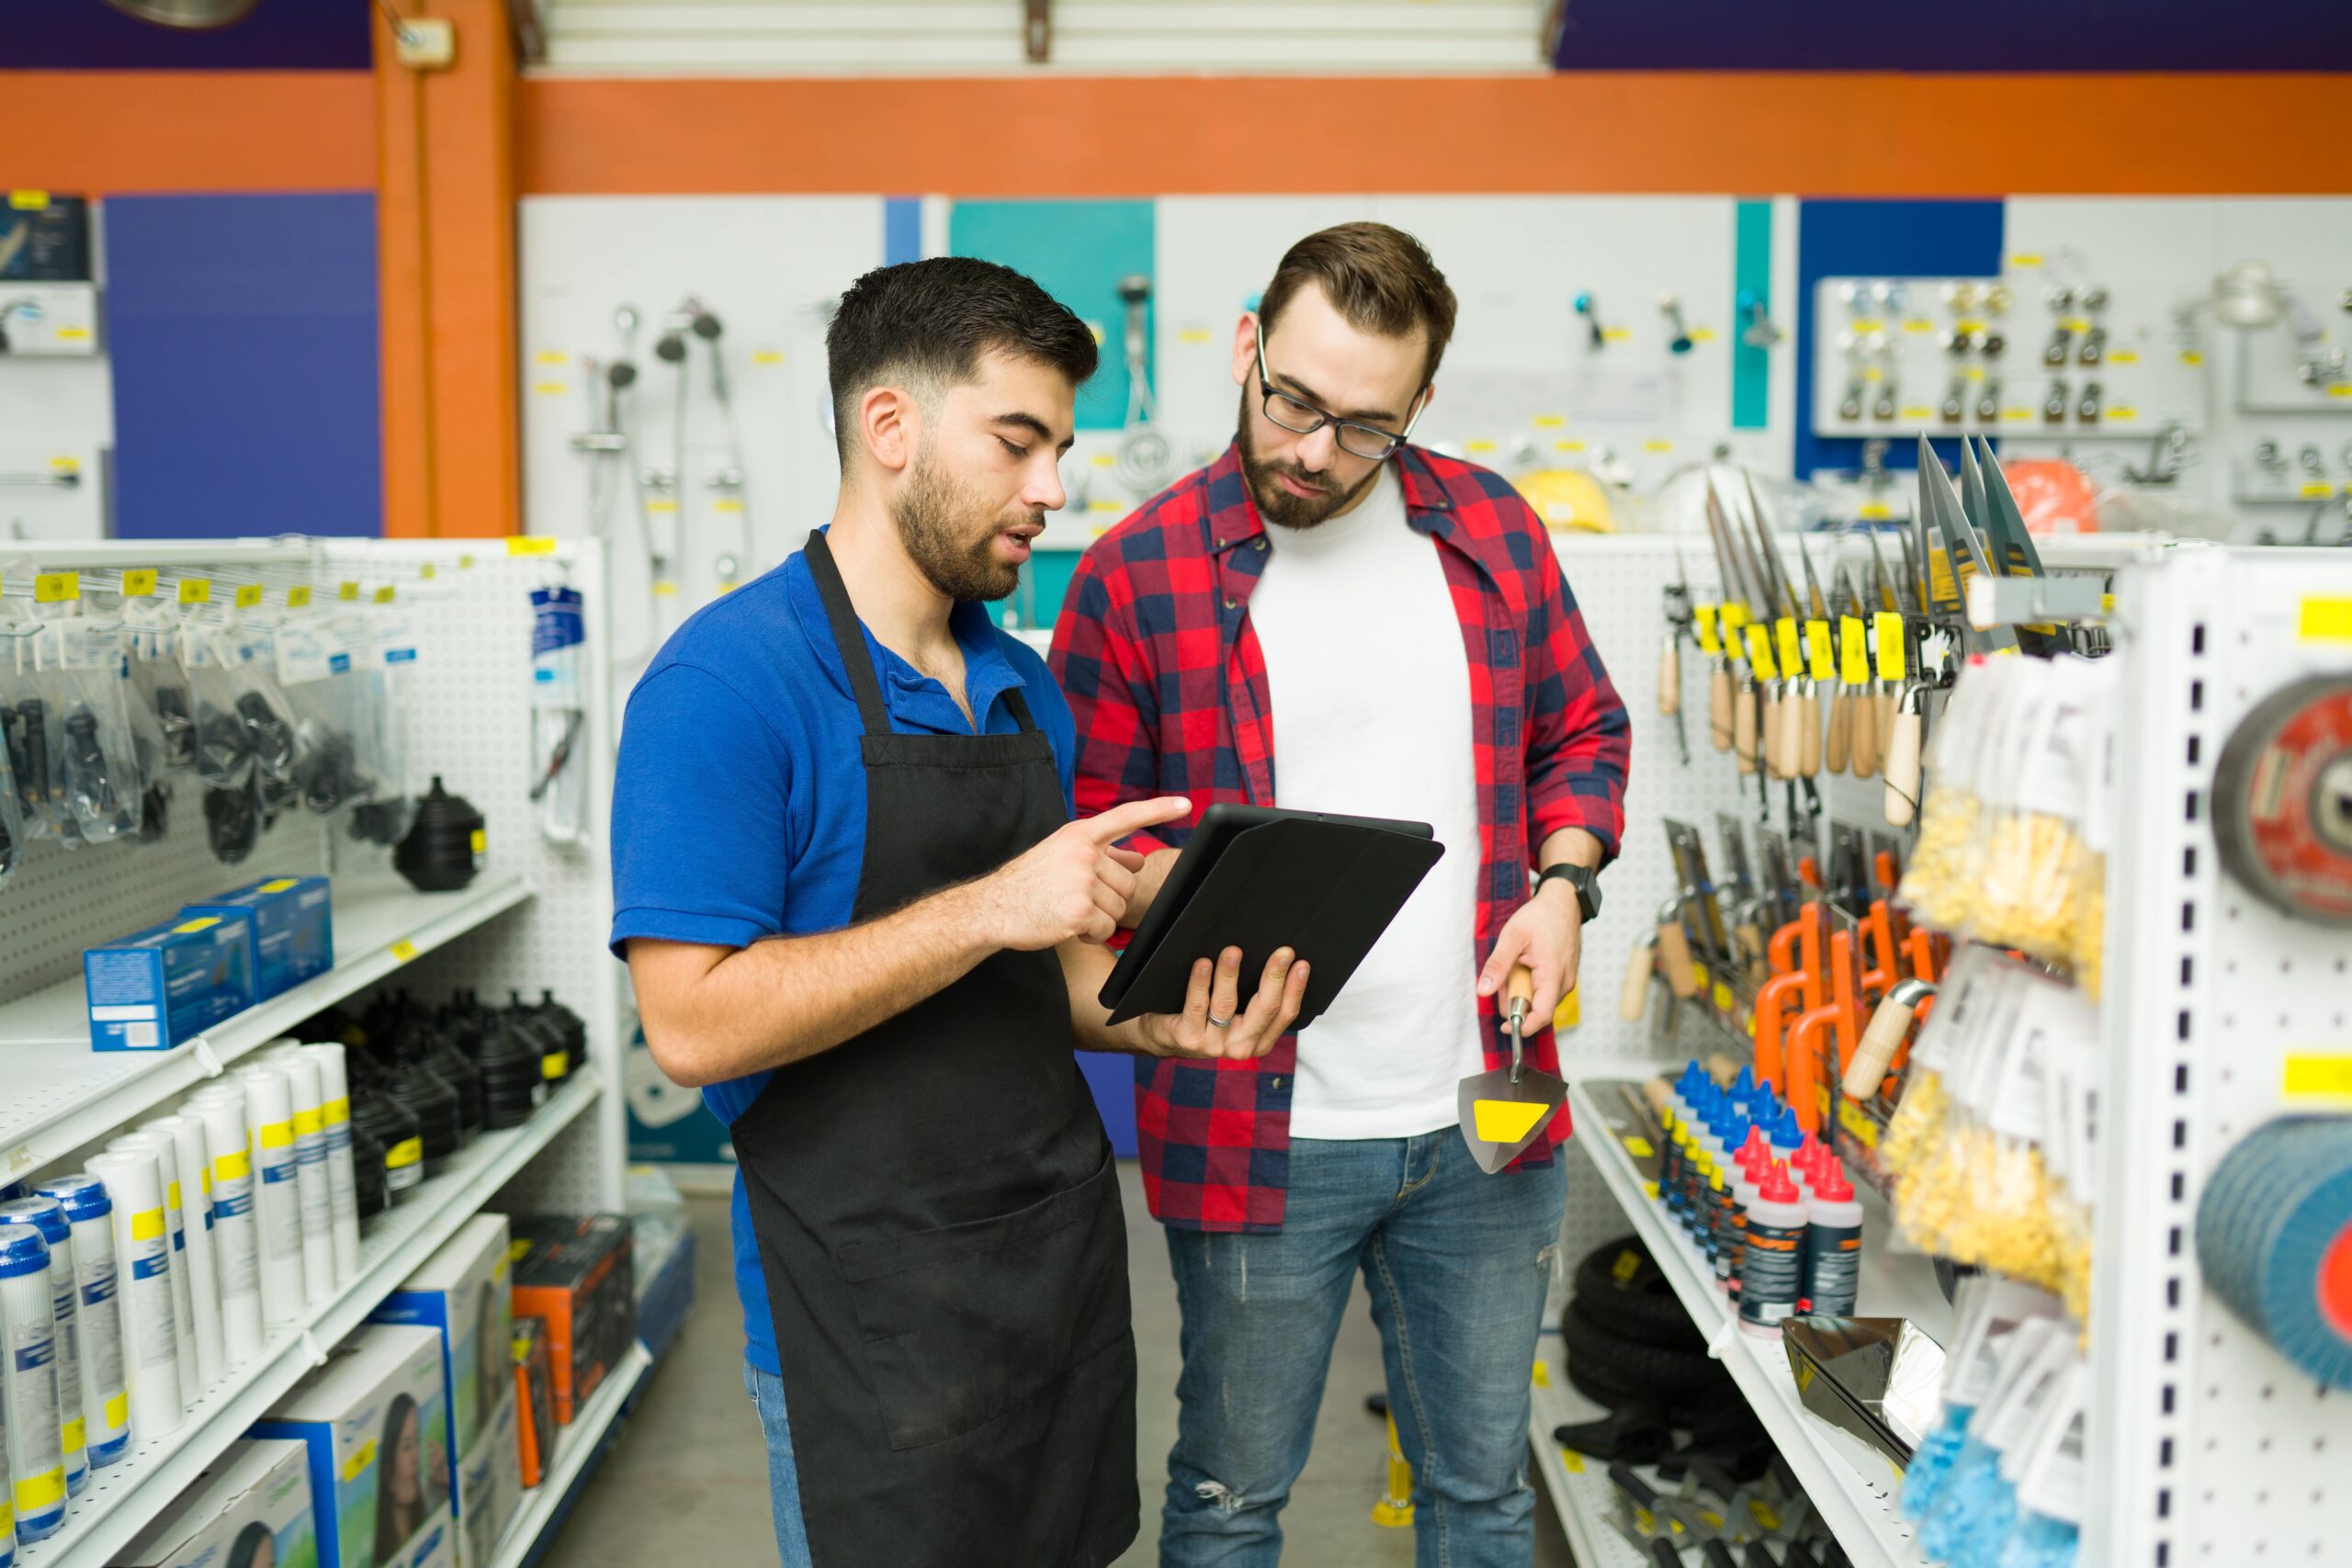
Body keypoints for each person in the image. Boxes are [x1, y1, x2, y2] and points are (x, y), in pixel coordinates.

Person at [612, 255, 1310, 1568]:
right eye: (1018, 440)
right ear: (891, 429)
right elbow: (692, 1026)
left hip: (1051, 1285)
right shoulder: (725, 683)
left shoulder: (1020, 684)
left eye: (1059, 445)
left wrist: (1159, 1020)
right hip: (864, 1327)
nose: (1053, 486)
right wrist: (991, 904)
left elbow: (1030, 983)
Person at [1050, 221, 1632, 1567]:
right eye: (1292, 402)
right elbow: (1075, 860)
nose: (1313, 451)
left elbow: (1583, 731)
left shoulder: (1490, 528)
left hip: (1483, 1116)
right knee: (1232, 1496)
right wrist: (1156, 889)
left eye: (1363, 426)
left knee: (1482, 1488)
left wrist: (1563, 884)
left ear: (1419, 406)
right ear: (1249, 345)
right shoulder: (1135, 578)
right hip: (1260, 1131)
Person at [373, 1391, 446, 1562]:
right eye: (406, 1447)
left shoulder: (431, 1520)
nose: (416, 1456)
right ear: (388, 1472)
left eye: (417, 1442)